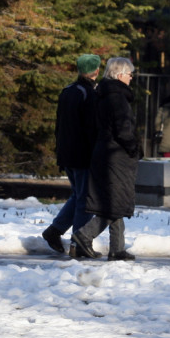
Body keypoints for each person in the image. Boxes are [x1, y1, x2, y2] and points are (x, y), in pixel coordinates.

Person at [71, 56, 140, 261]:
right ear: (120, 75)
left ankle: (117, 248)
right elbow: (122, 129)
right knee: (114, 204)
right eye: (130, 74)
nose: (131, 78)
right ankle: (84, 235)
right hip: (116, 155)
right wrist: (133, 147)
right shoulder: (116, 96)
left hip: (107, 153)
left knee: (116, 201)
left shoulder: (104, 93)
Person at [41, 54, 101, 254]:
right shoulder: (89, 94)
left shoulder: (68, 91)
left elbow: (60, 124)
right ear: (97, 71)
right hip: (83, 154)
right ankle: (79, 241)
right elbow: (91, 128)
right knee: (86, 199)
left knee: (78, 195)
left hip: (67, 152)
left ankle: (55, 230)